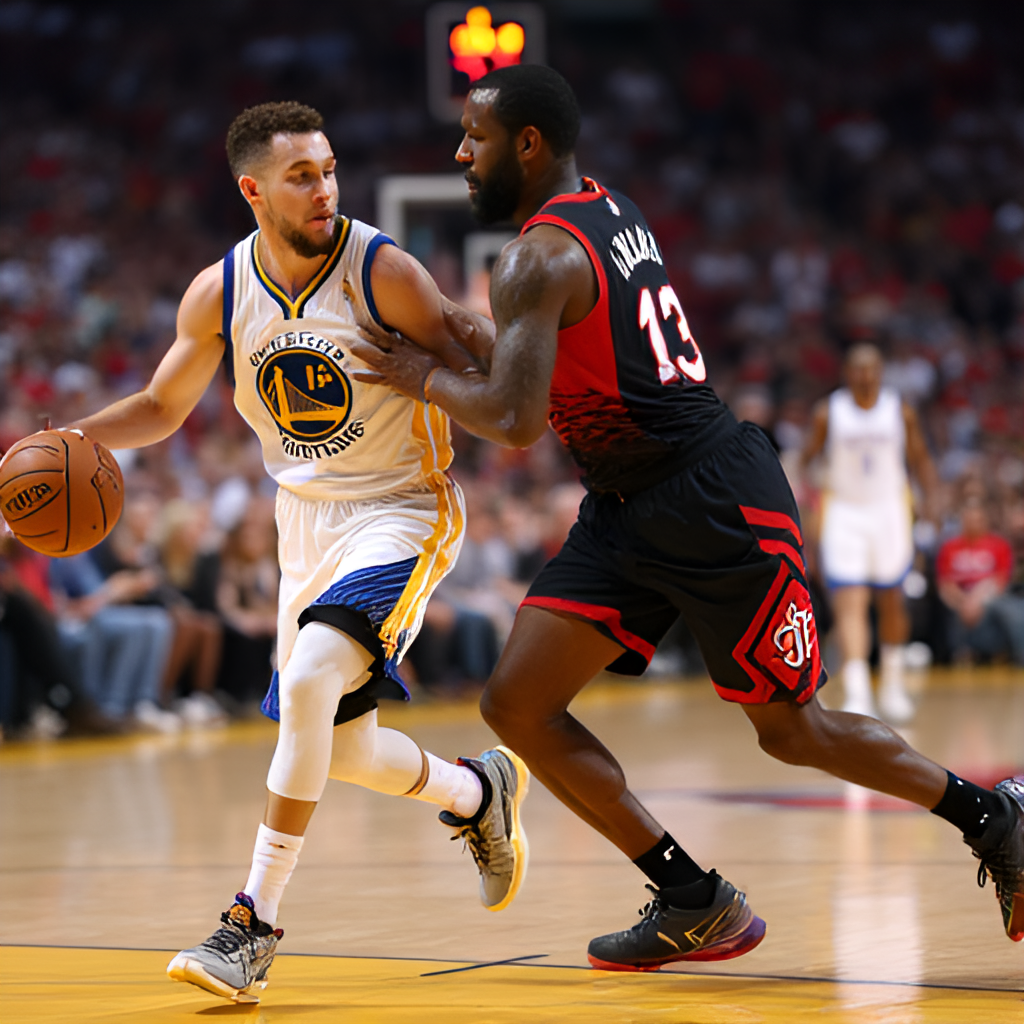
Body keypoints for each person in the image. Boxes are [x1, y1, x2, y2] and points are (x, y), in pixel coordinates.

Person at [351, 65, 1024, 967]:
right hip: (629, 508)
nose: (459, 152)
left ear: (528, 144)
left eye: (473, 137)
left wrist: (421, 375)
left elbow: (513, 419)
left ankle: (995, 817)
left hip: (714, 501)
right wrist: (456, 333)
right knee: (517, 702)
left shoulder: (534, 259)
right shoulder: (607, 209)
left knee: (794, 731)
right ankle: (690, 896)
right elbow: (552, 361)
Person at [56, 101, 529, 1004]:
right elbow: (161, 408)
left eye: (329, 169)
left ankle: (252, 925)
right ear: (253, 191)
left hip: (401, 508)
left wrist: (445, 359)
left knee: (310, 685)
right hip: (304, 524)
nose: (325, 190)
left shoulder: (382, 271)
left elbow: (495, 384)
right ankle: (478, 793)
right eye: (301, 176)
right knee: (340, 749)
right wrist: (65, 438)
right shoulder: (220, 291)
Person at [800, 343, 939, 723]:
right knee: (850, 600)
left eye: (871, 369)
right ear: (847, 373)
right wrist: (806, 498)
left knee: (892, 600)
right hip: (844, 510)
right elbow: (806, 459)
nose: (864, 376)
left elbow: (921, 458)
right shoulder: (829, 411)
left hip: (889, 510)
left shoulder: (900, 410)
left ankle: (893, 685)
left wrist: (932, 503)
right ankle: (858, 690)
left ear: (881, 372)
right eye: (857, 369)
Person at [936, 498, 1024, 665]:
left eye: (977, 520)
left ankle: (1018, 655)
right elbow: (945, 584)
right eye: (968, 520)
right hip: (957, 600)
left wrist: (976, 601)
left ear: (985, 521)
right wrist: (964, 602)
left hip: (990, 597)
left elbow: (1000, 581)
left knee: (1012, 612)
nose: (973, 523)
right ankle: (953, 656)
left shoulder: (999, 545)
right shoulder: (949, 547)